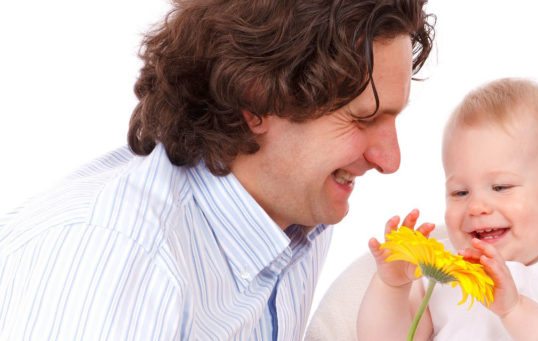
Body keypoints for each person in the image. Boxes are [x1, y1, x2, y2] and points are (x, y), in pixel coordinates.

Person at [0, 0, 433, 339]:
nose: (390, 160)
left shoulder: (294, 214)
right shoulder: (111, 265)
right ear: (257, 101)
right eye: (361, 118)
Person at [357, 78, 538, 340]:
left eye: (501, 187)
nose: (476, 207)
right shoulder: (440, 269)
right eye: (460, 192)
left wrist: (514, 309)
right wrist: (392, 286)